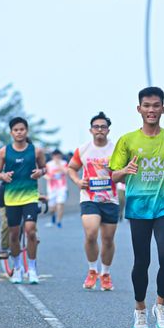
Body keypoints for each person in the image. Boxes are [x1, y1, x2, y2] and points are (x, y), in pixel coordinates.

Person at [109, 87, 164, 328]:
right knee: (142, 261)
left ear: (163, 109)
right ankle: (140, 309)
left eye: (156, 106)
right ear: (139, 109)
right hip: (138, 207)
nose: (151, 110)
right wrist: (125, 171)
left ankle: (161, 305)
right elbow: (113, 175)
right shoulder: (127, 140)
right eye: (146, 105)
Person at [68, 111, 119, 291]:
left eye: (103, 127)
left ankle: (105, 273)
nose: (99, 130)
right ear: (90, 130)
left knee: (108, 239)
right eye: (96, 127)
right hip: (89, 198)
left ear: (108, 130)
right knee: (91, 234)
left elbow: (123, 171)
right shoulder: (83, 149)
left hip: (110, 199)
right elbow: (71, 168)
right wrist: (77, 181)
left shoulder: (116, 149)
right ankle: (92, 270)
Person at [0, 117, 46, 284]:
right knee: (14, 234)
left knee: (30, 231)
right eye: (16, 130)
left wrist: (40, 172)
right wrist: (3, 176)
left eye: (22, 129)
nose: (19, 132)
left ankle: (32, 269)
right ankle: (17, 268)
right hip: (11, 199)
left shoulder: (36, 151)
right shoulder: (3, 152)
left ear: (26, 131)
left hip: (30, 196)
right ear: (11, 133)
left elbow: (44, 168)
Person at [45, 149, 68, 228]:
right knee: (51, 207)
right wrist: (48, 177)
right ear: (52, 156)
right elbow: (44, 174)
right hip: (51, 188)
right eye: (55, 156)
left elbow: (66, 172)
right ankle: (53, 217)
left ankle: (59, 222)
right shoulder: (48, 164)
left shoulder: (64, 163)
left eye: (58, 155)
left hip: (62, 187)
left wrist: (59, 165)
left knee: (60, 204)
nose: (57, 157)